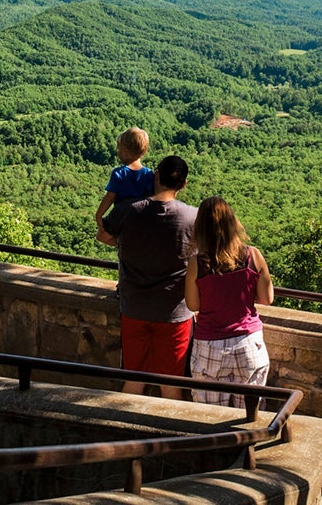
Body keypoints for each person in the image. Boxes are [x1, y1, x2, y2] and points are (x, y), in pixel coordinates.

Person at [101, 153, 196, 399]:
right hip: (174, 313)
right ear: (183, 184)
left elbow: (102, 234)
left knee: (133, 382)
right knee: (171, 387)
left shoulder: (128, 211)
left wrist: (125, 244)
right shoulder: (192, 218)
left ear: (156, 177)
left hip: (134, 308)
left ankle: (124, 433)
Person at [184, 195, 274, 409]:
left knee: (209, 417)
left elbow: (193, 305)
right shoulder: (253, 255)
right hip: (249, 344)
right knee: (250, 420)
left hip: (210, 348)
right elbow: (267, 298)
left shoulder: (197, 264)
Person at [95, 126, 154, 247]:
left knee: (100, 236)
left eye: (119, 149)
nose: (118, 152)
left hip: (121, 217)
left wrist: (99, 215)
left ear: (126, 151)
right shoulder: (149, 174)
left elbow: (110, 196)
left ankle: (123, 245)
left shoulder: (119, 173)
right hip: (141, 218)